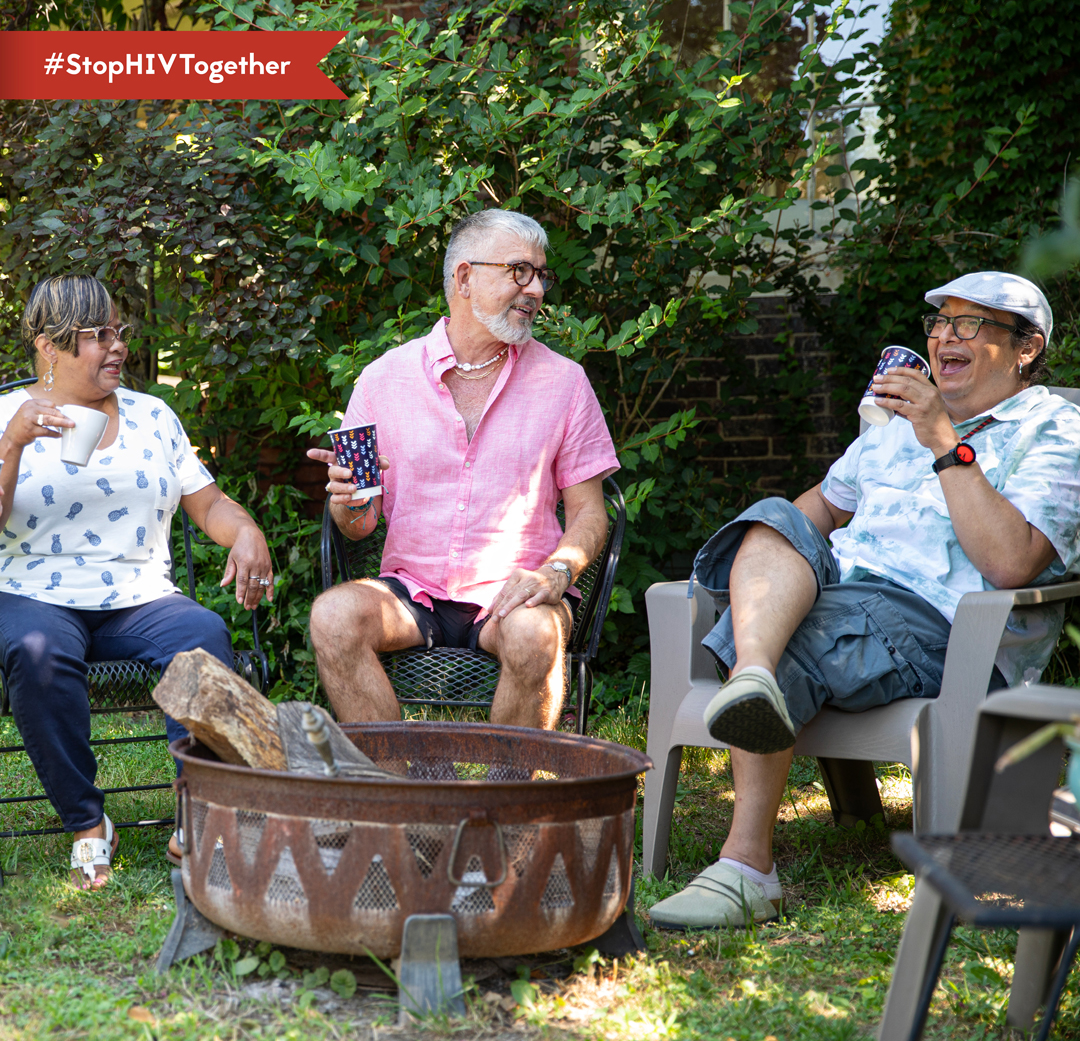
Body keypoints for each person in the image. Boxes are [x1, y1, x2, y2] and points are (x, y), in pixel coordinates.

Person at [650, 271, 1080, 930]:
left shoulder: (1054, 427)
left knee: (801, 627)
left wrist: (945, 440)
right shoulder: (889, 429)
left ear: (1026, 348)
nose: (944, 337)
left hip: (944, 629)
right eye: (938, 323)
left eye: (971, 324)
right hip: (844, 606)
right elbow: (818, 509)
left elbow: (1011, 561)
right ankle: (757, 672)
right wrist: (768, 550)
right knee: (771, 518)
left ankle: (746, 866)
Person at [0, 275, 273, 889]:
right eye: (97, 336)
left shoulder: (154, 416)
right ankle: (87, 824)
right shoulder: (4, 416)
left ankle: (193, 810)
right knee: (32, 651)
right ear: (49, 346)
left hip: (138, 597)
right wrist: (13, 443)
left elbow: (209, 505)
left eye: (118, 331)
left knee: (201, 631)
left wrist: (247, 530)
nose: (117, 346)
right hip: (34, 594)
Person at [307, 209, 619, 730]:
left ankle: (506, 799)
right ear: (465, 277)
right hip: (412, 591)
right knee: (332, 616)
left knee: (533, 633)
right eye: (519, 271)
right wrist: (350, 503)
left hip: (518, 592)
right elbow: (360, 526)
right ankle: (402, 792)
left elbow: (590, 512)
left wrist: (556, 572)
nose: (536, 289)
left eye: (541, 275)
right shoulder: (383, 381)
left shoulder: (566, 383)